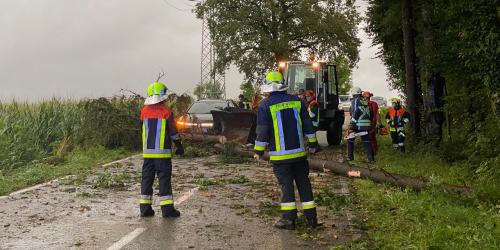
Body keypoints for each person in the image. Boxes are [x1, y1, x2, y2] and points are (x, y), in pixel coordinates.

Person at [254, 71, 320, 230]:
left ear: (268, 85)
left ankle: (289, 220)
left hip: (280, 158)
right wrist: (313, 144)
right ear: (283, 83)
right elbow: (308, 125)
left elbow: (262, 130)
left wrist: (258, 151)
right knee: (304, 184)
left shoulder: (264, 105)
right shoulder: (297, 101)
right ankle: (312, 219)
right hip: (299, 155)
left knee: (286, 187)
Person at [139, 82, 185, 218]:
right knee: (164, 180)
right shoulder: (166, 112)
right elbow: (173, 132)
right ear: (162, 96)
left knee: (146, 179)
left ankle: (145, 208)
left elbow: (141, 130)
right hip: (162, 154)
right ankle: (167, 210)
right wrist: (179, 146)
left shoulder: (143, 112)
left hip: (147, 154)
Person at [347, 87, 374, 163]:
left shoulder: (355, 100)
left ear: (354, 93)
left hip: (357, 124)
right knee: (366, 141)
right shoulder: (365, 100)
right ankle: (370, 159)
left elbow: (355, 112)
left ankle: (350, 157)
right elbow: (371, 112)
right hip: (366, 125)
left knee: (350, 139)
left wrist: (352, 123)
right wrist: (369, 122)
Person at [362, 91, 380, 156]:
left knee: (368, 139)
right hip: (373, 124)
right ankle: (374, 153)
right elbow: (377, 114)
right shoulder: (374, 104)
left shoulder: (364, 105)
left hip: (368, 125)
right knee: (373, 139)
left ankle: (370, 155)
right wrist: (379, 123)